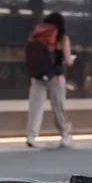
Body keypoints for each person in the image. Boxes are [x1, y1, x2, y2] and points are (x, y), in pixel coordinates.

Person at [24, 11, 74, 148]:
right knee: (58, 107)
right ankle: (65, 134)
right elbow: (68, 60)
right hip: (55, 76)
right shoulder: (62, 37)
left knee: (35, 106)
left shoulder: (38, 33)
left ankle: (31, 136)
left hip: (38, 75)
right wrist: (70, 60)